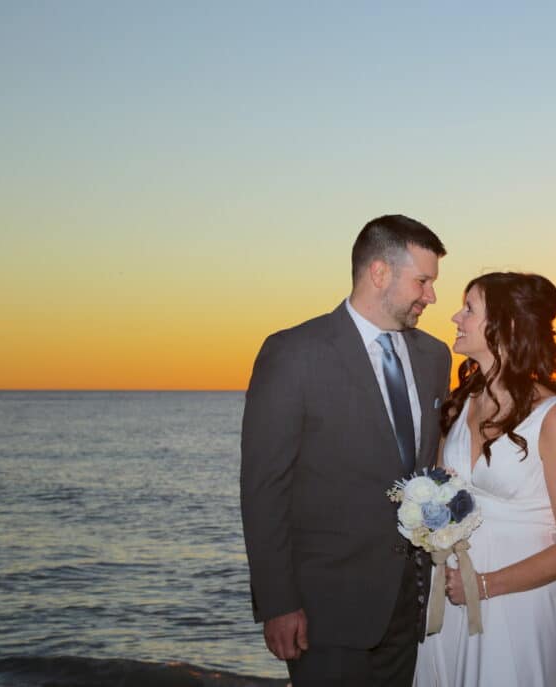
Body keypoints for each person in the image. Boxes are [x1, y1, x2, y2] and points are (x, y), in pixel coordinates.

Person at [240, 214, 452, 687]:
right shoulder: (294, 353)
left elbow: (426, 466)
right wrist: (278, 603)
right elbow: (263, 489)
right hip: (323, 613)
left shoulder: (436, 357)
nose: (431, 296)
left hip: (407, 604)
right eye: (422, 281)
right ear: (379, 273)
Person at [413, 272, 556, 686]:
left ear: (506, 325)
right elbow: (441, 493)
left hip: (517, 602)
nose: (456, 317)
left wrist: (484, 585)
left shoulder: (552, 418)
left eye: (469, 309)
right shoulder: (460, 406)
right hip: (455, 593)